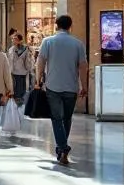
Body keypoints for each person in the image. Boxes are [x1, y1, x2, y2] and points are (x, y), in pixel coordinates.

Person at [36, 15, 88, 166]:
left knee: (56, 118)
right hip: (71, 87)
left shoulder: (48, 42)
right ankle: (62, 148)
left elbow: (40, 62)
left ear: (56, 25)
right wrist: (84, 86)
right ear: (70, 26)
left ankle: (63, 148)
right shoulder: (78, 44)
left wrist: (38, 80)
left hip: (53, 86)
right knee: (66, 118)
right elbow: (83, 66)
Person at [8, 33, 36, 103]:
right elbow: (9, 60)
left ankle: (20, 104)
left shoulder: (25, 49)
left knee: (20, 90)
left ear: (20, 40)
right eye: (13, 39)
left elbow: (28, 63)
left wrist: (29, 69)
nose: (13, 40)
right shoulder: (11, 49)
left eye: (16, 39)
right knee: (15, 90)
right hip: (13, 72)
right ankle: (16, 105)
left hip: (22, 73)